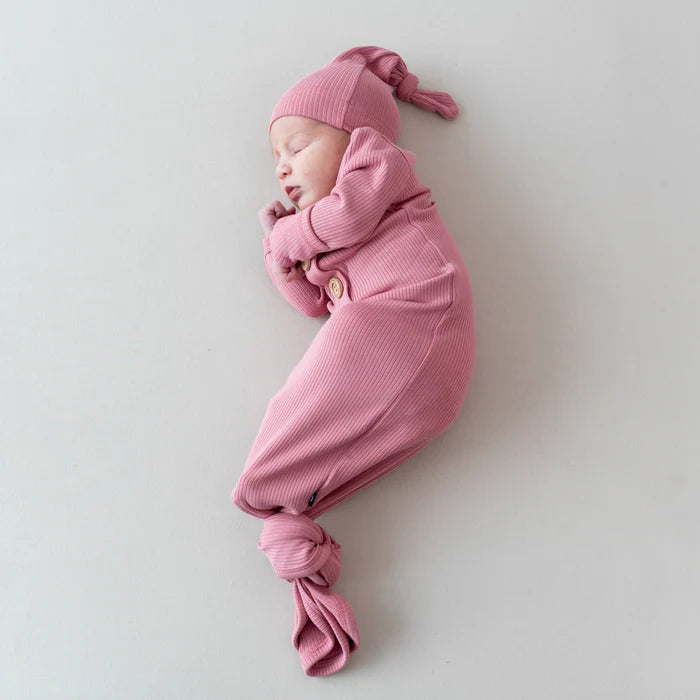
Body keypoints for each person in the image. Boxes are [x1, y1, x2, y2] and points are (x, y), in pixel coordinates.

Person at [231, 45, 476, 677]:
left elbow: (346, 218)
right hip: (402, 363)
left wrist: (290, 238)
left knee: (302, 404)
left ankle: (273, 493)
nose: (283, 167)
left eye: (297, 145)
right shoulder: (327, 227)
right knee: (302, 409)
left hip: (419, 315)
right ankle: (288, 512)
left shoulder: (378, 166)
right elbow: (316, 304)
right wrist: (280, 256)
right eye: (276, 158)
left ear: (354, 136)